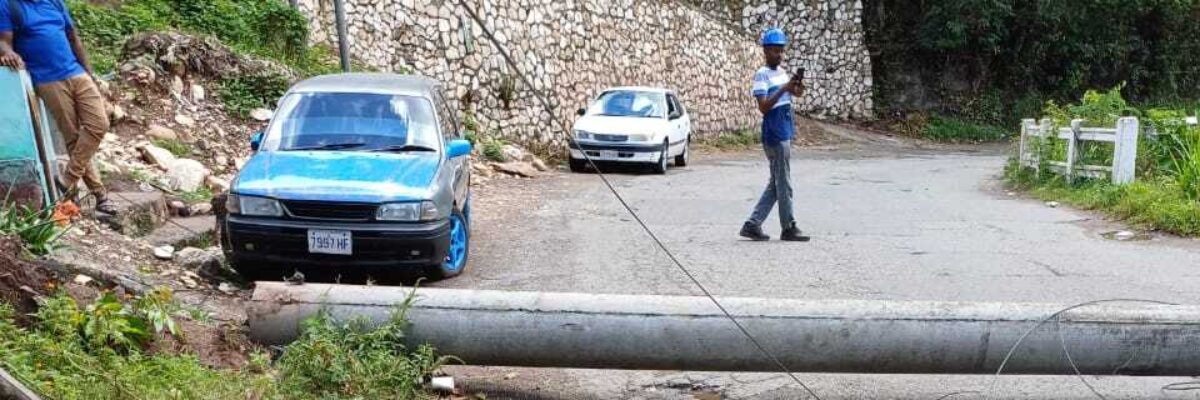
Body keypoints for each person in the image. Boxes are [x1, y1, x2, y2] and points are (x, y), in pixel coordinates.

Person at [1, 0, 115, 214]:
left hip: (76, 72)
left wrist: (89, 72)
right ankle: (101, 196)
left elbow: (73, 37)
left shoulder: (54, 2)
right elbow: (4, 41)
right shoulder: (9, 5)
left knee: (99, 124)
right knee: (72, 136)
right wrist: (9, 53)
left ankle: (67, 180)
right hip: (47, 79)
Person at [739, 27, 809, 242]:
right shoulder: (762, 75)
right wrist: (784, 88)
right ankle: (788, 226)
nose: (778, 55)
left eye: (781, 51)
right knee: (783, 181)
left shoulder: (781, 73)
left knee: (776, 183)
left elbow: (793, 94)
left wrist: (796, 87)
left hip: (785, 130)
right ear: (765, 51)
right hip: (774, 134)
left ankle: (752, 224)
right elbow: (764, 107)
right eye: (774, 51)